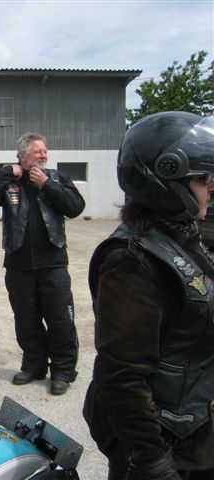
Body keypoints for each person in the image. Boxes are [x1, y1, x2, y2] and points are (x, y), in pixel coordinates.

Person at [84, 111, 214, 480]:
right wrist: (154, 464)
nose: (211, 187)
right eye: (203, 178)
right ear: (167, 180)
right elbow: (122, 378)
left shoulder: (182, 236)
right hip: (166, 445)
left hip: (194, 432)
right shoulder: (132, 262)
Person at [0, 132, 85, 395]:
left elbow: (75, 207)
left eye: (45, 151)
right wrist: (5, 173)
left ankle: (63, 371)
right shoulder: (9, 182)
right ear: (22, 156)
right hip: (18, 264)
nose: (43, 155)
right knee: (26, 319)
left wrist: (46, 184)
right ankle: (34, 366)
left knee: (60, 319)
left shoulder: (57, 178)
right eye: (37, 152)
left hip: (53, 264)